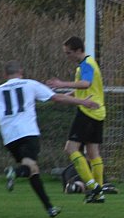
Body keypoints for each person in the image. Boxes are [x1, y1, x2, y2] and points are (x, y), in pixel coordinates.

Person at [0, 61, 101, 218]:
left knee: (33, 170)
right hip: (28, 133)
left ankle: (49, 208)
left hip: (10, 138)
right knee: (29, 167)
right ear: (21, 72)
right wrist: (82, 101)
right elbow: (57, 98)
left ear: (5, 76)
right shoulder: (30, 84)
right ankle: (14, 172)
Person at [46, 36, 114, 203]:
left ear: (78, 51)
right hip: (98, 111)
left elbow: (86, 84)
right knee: (93, 153)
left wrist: (62, 84)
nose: (67, 56)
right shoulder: (87, 65)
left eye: (68, 53)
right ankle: (98, 193)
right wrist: (63, 97)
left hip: (87, 111)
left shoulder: (87, 64)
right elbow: (82, 90)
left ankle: (93, 186)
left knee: (70, 149)